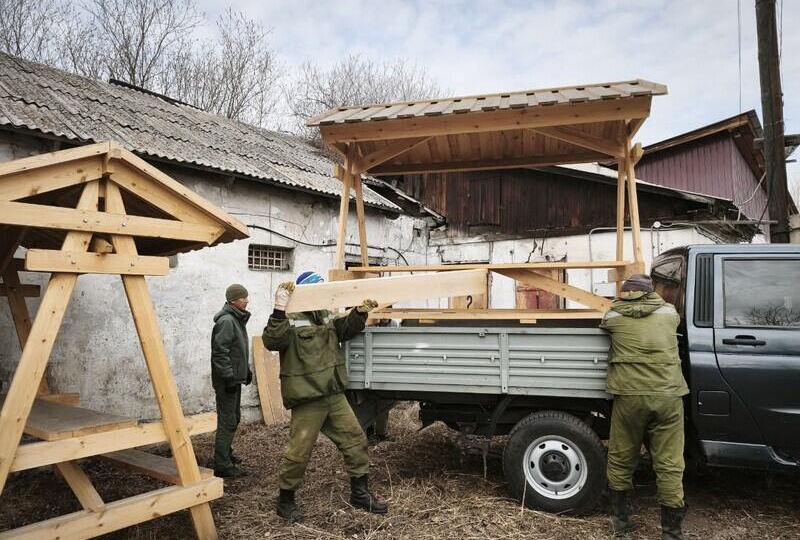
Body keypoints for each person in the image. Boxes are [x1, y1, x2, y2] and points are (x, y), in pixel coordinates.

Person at [263, 271, 387, 522]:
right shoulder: (291, 317)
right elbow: (272, 341)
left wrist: (359, 313)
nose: (323, 291)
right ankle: (285, 500)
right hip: (308, 396)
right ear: (306, 291)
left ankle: (359, 494)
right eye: (318, 288)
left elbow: (344, 330)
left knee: (356, 440)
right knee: (299, 452)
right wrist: (279, 307)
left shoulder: (326, 315)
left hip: (333, 394)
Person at [600, 274, 689, 539]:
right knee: (670, 463)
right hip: (668, 395)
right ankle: (671, 532)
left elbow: (604, 324)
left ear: (625, 292)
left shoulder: (613, 315)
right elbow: (673, 321)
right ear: (650, 291)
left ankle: (621, 523)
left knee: (621, 456)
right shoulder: (669, 312)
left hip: (629, 396)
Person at [210, 283, 253, 478]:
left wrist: (246, 370)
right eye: (243, 297)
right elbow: (221, 353)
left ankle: (225, 454)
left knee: (234, 418)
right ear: (233, 300)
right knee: (228, 420)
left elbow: (237, 351)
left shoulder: (236, 319)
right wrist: (228, 377)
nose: (247, 300)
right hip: (227, 380)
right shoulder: (227, 321)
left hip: (234, 378)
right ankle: (222, 465)